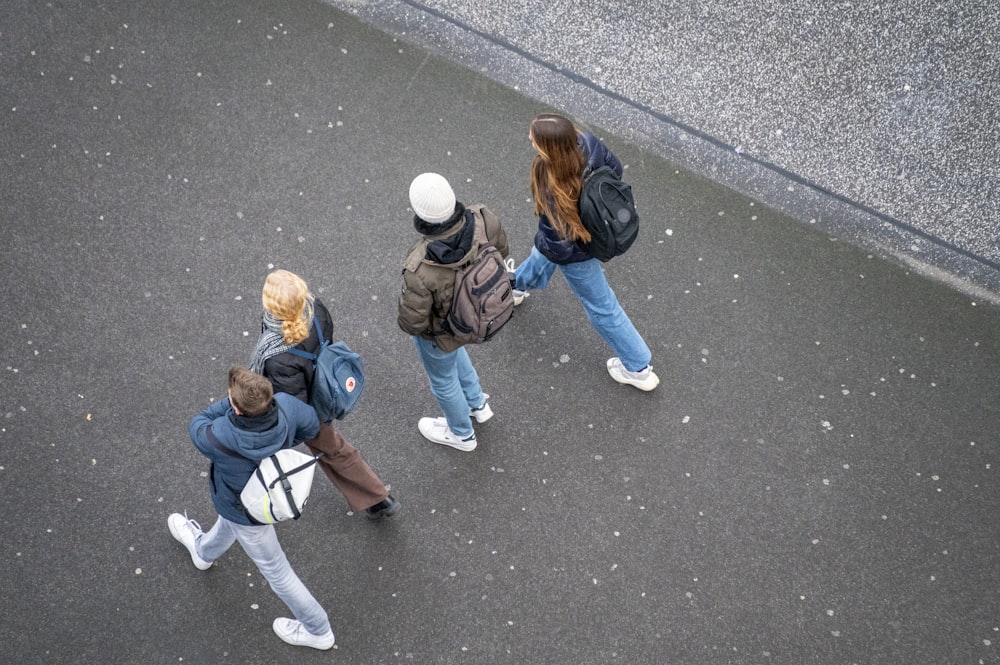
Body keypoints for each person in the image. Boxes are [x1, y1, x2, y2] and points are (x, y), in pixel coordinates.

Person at [168, 367, 335, 650]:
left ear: (237, 408)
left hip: (242, 507)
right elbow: (310, 426)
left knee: (278, 573)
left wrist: (231, 403)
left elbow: (198, 422)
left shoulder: (219, 436)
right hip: (268, 495)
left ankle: (318, 629)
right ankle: (203, 551)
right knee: (229, 525)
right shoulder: (287, 407)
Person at [510, 112, 660, 391]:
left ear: (549, 149)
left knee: (603, 308)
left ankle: (638, 367)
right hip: (591, 235)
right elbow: (615, 169)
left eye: (535, 137)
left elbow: (557, 245)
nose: (529, 138)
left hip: (576, 253)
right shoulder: (587, 142)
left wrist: (552, 243)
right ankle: (516, 285)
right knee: (541, 253)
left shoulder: (549, 181)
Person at [249, 269, 399, 520]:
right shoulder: (315, 308)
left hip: (306, 408)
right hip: (324, 390)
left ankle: (254, 495)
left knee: (255, 444)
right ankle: (378, 497)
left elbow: (291, 405)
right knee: (335, 449)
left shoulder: (278, 356)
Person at [398, 172, 510, 451]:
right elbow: (503, 251)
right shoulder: (484, 218)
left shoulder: (421, 266)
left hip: (443, 332)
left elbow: (412, 322)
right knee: (457, 356)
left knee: (443, 381)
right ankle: (477, 403)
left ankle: (461, 433)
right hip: (475, 316)